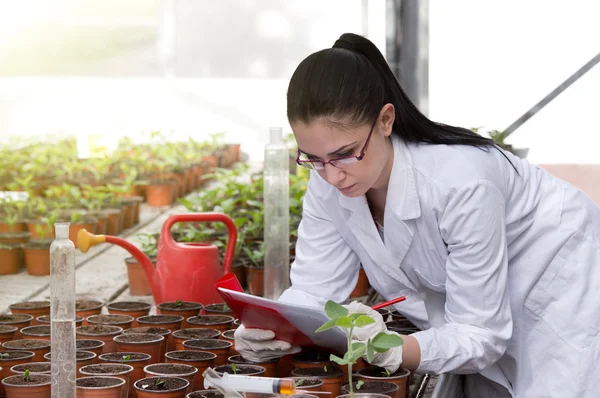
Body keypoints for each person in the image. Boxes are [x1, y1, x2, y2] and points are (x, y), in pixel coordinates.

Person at [234, 33, 600, 397]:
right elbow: (314, 289)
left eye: (345, 153)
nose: (331, 175)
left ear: (385, 120)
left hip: (560, 280)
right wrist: (274, 326)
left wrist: (388, 348)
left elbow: (480, 334)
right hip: (478, 303)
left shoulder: (460, 182)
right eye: (312, 159)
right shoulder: (330, 183)